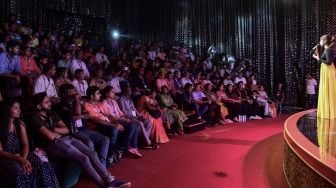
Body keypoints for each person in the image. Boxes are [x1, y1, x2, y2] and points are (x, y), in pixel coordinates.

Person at [30, 92, 131, 188]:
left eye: (49, 101)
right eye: (47, 102)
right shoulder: (34, 118)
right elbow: (50, 137)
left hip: (66, 138)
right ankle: (104, 185)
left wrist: (53, 129)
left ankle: (110, 179)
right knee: (84, 158)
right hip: (54, 144)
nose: (50, 103)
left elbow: (66, 129)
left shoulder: (51, 113)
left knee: (92, 153)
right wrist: (56, 131)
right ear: (39, 106)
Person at [0, 98, 60, 187]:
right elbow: (0, 151)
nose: (19, 110)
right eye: (16, 108)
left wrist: (23, 158)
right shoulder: (1, 126)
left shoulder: (20, 124)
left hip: (22, 154)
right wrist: (19, 159)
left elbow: (25, 144)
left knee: (43, 165)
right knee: (19, 171)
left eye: (19, 107)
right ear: (7, 109)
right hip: (7, 157)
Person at [57, 84, 110, 167]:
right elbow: (76, 115)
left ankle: (102, 165)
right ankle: (93, 166)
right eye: (70, 92)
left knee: (105, 139)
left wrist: (79, 114)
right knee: (89, 142)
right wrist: (79, 109)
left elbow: (87, 114)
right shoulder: (61, 105)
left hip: (84, 129)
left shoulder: (76, 102)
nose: (73, 93)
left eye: (74, 91)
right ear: (63, 94)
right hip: (74, 131)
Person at [312, 34, 336, 119]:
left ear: (325, 41)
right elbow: (322, 61)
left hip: (328, 71)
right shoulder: (326, 49)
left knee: (328, 89)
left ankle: (329, 112)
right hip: (326, 71)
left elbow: (329, 62)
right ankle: (328, 111)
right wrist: (317, 55)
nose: (320, 42)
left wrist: (317, 58)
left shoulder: (329, 49)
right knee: (326, 90)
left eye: (321, 40)